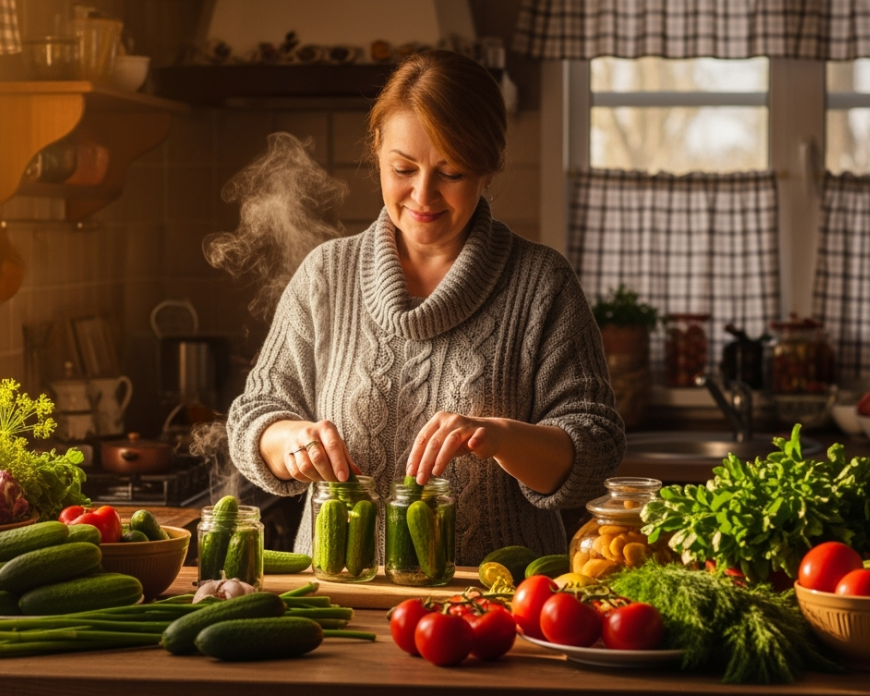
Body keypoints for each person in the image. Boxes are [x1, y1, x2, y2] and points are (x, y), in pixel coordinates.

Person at [227, 50, 624, 564]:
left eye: (451, 173)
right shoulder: (326, 274)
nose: (423, 194)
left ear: (488, 166)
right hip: (339, 596)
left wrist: (501, 437)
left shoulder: (541, 283)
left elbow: (596, 450)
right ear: (377, 151)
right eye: (403, 168)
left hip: (493, 608)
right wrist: (291, 442)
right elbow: (252, 418)